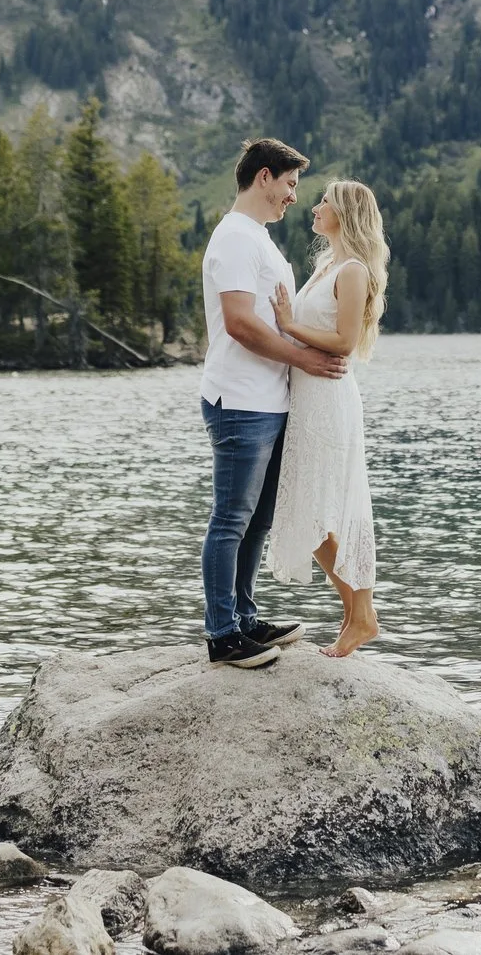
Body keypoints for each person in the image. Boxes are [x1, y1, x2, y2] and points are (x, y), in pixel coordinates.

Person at [197, 137, 347, 669]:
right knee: (231, 519)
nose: (293, 196)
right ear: (264, 176)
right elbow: (240, 324)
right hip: (240, 400)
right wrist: (304, 359)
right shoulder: (236, 238)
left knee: (258, 520)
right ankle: (222, 635)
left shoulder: (257, 237)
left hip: (269, 399)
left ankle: (243, 617)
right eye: (289, 183)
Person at [268, 178, 387, 657]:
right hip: (306, 398)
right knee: (307, 512)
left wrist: (288, 324)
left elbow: (344, 342)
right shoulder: (326, 266)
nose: (314, 207)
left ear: (345, 215)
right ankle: (358, 614)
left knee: (322, 513)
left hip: (329, 400)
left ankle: (362, 614)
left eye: (324, 202)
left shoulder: (353, 270)